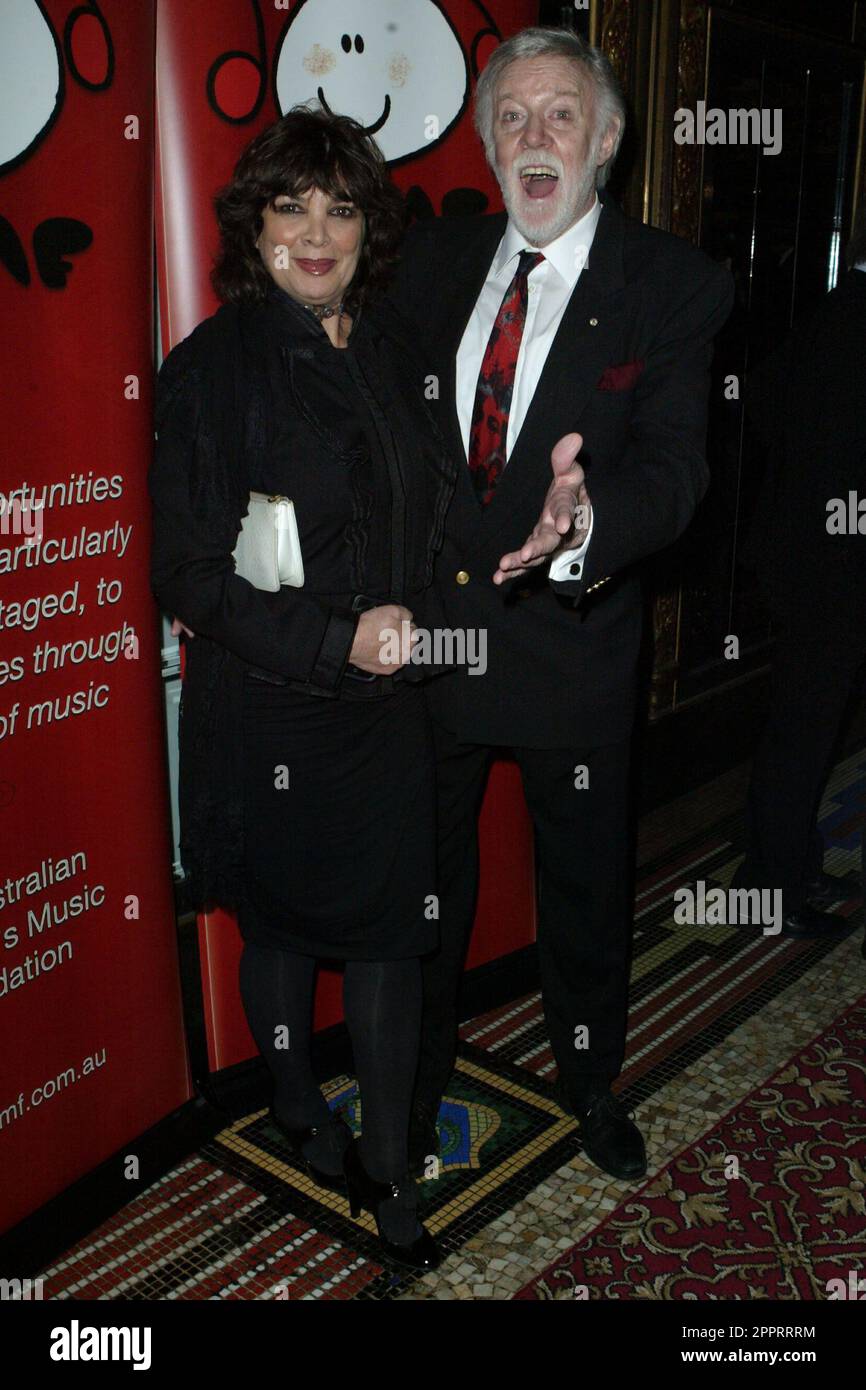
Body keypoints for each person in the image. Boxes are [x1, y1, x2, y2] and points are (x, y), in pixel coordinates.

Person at [388, 27, 735, 1182]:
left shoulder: (672, 285)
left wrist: (579, 528)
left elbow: (674, 472)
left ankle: (588, 1080)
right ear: (487, 143)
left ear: (606, 143)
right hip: (432, 639)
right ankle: (415, 1073)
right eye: (513, 117)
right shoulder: (429, 265)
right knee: (423, 882)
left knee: (581, 898)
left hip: (572, 646)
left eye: (560, 115)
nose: (535, 138)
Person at [148, 106, 460, 1269]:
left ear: (368, 226)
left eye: (340, 207)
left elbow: (427, 510)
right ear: (254, 222)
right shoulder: (215, 368)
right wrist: (337, 639)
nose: (316, 232)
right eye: (292, 205)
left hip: (390, 711)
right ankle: (290, 1096)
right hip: (276, 705)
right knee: (279, 925)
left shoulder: (386, 346)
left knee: (387, 940)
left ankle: (385, 1166)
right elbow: (181, 570)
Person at [730, 221, 866, 936]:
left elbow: (764, 397)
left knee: (797, 719)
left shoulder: (842, 306)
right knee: (805, 727)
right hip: (833, 566)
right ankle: (772, 888)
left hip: (798, 552)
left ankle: (781, 856)